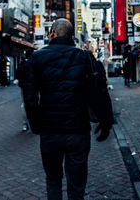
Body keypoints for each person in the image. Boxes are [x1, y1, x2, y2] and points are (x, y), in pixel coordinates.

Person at [23, 18, 114, 200]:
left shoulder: (37, 58)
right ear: (72, 36)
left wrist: (35, 125)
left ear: (52, 34)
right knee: (77, 183)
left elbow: (30, 97)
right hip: (78, 130)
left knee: (53, 179)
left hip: (50, 131)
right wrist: (106, 121)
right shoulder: (85, 57)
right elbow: (99, 91)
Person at [16, 50, 33, 132]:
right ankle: (32, 123)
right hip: (34, 87)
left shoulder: (22, 64)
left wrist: (20, 83)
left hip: (24, 87)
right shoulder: (35, 63)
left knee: (24, 105)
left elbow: (18, 75)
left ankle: (25, 124)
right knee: (34, 105)